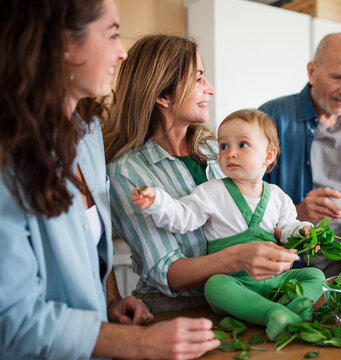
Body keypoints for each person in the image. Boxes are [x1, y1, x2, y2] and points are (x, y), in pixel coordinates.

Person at [0, 1, 220, 359]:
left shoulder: (87, 133)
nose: (122, 54)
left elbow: (89, 250)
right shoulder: (9, 153)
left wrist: (112, 301)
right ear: (62, 43)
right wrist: (140, 343)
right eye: (113, 34)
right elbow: (11, 321)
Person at [104, 34, 300, 313]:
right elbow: (166, 270)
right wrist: (237, 258)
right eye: (198, 79)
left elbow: (252, 210)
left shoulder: (216, 149)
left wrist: (289, 232)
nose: (211, 89)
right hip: (174, 312)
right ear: (162, 95)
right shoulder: (126, 171)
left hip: (246, 298)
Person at [131, 109, 325, 340]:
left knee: (315, 275)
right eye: (223, 146)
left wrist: (304, 232)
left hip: (276, 281)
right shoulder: (211, 191)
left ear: (268, 155)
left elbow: (287, 227)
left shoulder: (277, 196)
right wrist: (157, 201)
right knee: (215, 286)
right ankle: (273, 313)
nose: (230, 153)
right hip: (236, 282)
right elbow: (182, 216)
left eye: (242, 145)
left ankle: (293, 308)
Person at [259, 33, 341, 276]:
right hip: (282, 279)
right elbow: (240, 209)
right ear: (312, 72)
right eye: (337, 77)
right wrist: (297, 213)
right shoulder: (270, 119)